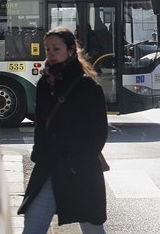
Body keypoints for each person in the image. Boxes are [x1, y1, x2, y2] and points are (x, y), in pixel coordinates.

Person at [18, 27, 108, 234]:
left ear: (70, 50)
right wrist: (38, 154)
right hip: (49, 168)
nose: (50, 53)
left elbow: (98, 134)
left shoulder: (89, 88)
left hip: (80, 171)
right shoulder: (44, 84)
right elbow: (40, 125)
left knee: (92, 228)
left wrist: (77, 164)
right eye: (47, 48)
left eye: (56, 48)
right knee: (33, 224)